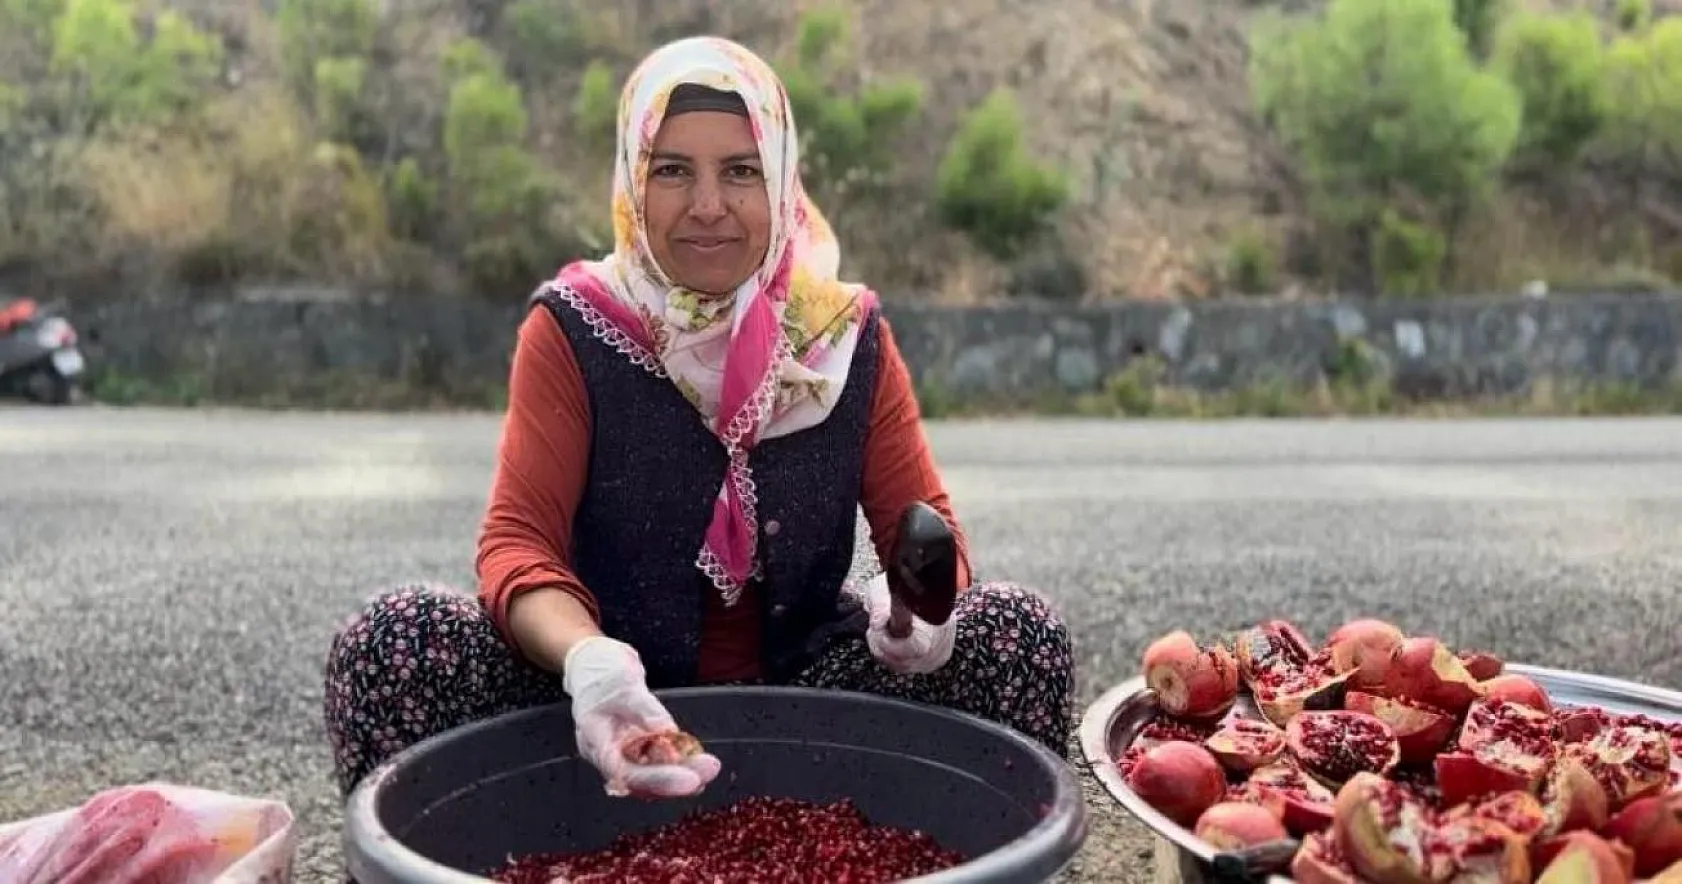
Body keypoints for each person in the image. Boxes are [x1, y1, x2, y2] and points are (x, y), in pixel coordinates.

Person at [321, 35, 1075, 801]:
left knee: (1017, 633)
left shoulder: (844, 337)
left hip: (810, 697)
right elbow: (518, 545)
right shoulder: (576, 328)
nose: (708, 206)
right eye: (673, 169)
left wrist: (919, 618)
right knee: (396, 641)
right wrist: (590, 664)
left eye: (741, 171)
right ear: (632, 181)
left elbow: (924, 529)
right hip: (607, 711)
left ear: (780, 182)